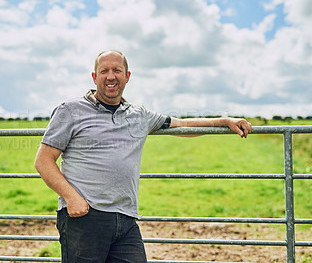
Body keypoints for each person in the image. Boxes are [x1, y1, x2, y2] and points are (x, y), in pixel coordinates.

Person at [34, 50, 252, 262]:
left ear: (127, 77)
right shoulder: (70, 110)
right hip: (85, 217)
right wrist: (72, 198)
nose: (111, 76)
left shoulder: (139, 114)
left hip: (126, 220)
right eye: (104, 71)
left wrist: (224, 121)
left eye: (117, 71)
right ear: (94, 76)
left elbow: (183, 125)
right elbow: (43, 160)